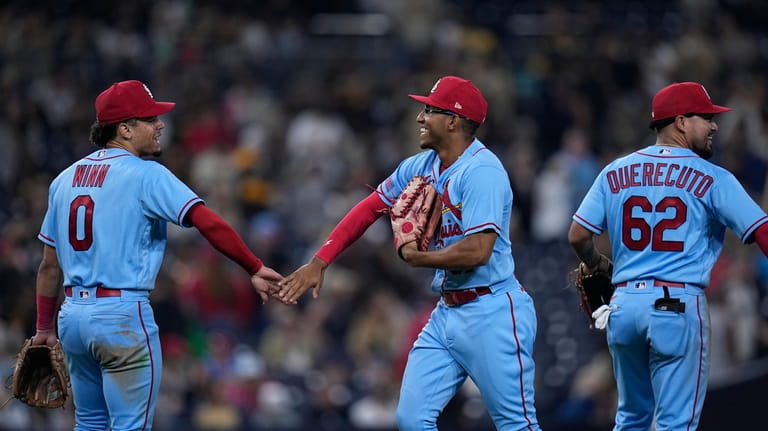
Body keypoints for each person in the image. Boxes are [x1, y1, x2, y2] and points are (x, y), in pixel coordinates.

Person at [278, 76, 541, 430]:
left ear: (453, 120)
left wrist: (420, 259)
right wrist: (320, 261)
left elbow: (480, 250)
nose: (420, 117)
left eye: (430, 109)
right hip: (447, 310)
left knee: (516, 425)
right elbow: (368, 208)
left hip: (492, 310)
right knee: (411, 419)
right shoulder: (420, 166)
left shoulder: (483, 172)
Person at [31, 80, 285, 431]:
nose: (160, 124)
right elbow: (207, 221)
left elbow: (48, 266)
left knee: (89, 424)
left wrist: (44, 327)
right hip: (121, 316)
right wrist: (253, 266)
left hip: (72, 316)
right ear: (124, 129)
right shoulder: (146, 175)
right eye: (150, 118)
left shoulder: (63, 180)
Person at [567, 81, 768, 430]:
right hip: (676, 305)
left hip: (624, 306)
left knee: (630, 419)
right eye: (706, 117)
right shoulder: (714, 177)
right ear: (680, 121)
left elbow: (578, 235)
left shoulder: (615, 170)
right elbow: (763, 233)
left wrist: (597, 263)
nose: (714, 125)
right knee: (675, 423)